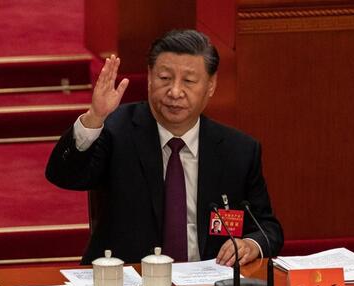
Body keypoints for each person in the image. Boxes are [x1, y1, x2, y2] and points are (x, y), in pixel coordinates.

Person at [46, 29, 283, 266]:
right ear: (149, 78)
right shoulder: (116, 131)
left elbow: (267, 228)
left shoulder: (238, 151)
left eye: (189, 81)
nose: (175, 92)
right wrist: (94, 118)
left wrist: (251, 245)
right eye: (164, 78)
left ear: (211, 86)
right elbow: (63, 175)